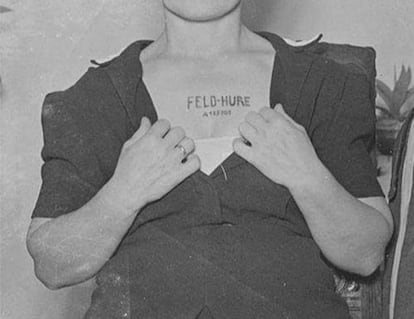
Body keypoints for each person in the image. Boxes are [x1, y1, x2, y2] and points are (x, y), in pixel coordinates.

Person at [26, 1, 393, 318]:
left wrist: (307, 175)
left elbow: (366, 252)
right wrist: (122, 194)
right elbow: (52, 264)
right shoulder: (96, 97)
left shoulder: (322, 84)